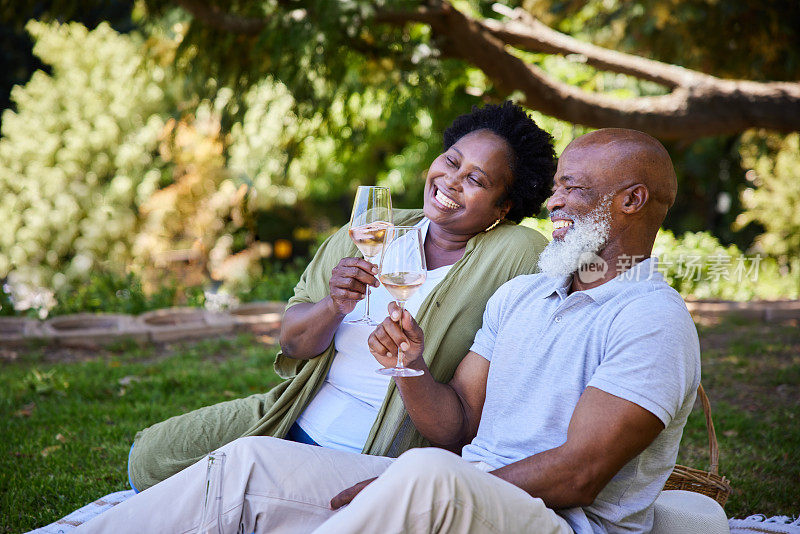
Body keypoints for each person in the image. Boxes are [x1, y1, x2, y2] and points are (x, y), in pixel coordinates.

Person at [77, 128, 701, 534]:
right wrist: (409, 366)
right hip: (459, 490)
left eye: (572, 188)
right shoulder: (525, 295)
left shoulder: (651, 318)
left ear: (632, 200)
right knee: (250, 461)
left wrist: (405, 482)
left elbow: (579, 474)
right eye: (557, 185)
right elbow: (458, 422)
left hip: (553, 521)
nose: (555, 202)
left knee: (425, 472)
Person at [127, 101, 556, 491]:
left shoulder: (512, 253)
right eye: (451, 161)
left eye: (476, 179)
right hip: (293, 416)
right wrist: (334, 305)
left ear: (504, 207)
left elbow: (463, 424)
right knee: (151, 455)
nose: (451, 181)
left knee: (237, 476)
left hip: (371, 450)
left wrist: (409, 362)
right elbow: (292, 343)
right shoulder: (370, 229)